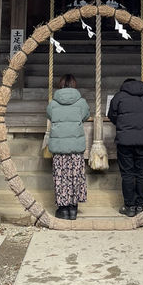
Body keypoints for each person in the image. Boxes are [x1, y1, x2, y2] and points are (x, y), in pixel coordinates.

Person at [108, 77, 143, 217]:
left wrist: (122, 124)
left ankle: (129, 206)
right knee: (142, 173)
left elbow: (111, 115)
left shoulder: (119, 97)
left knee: (127, 173)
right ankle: (140, 206)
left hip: (125, 140)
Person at [46, 73, 90, 220]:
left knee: (61, 177)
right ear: (74, 85)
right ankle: (73, 209)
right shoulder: (81, 102)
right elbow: (85, 116)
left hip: (59, 147)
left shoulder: (53, 103)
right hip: (75, 147)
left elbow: (50, 115)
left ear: (61, 85)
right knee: (75, 177)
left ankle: (63, 209)